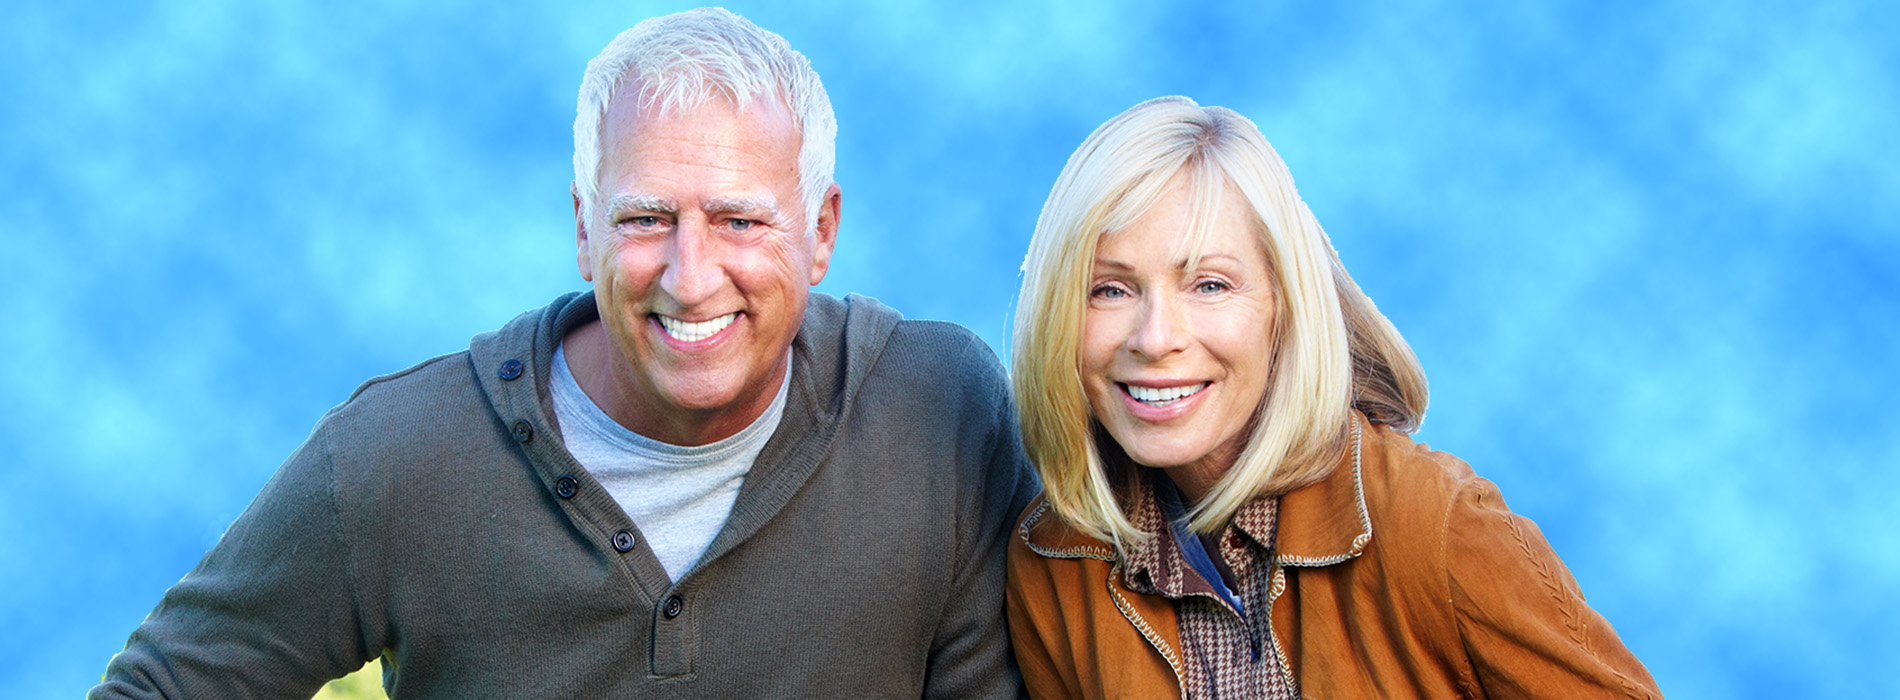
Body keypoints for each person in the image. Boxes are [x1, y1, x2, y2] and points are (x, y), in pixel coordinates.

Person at [91, 8, 1034, 699]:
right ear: (585, 231)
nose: (690, 274)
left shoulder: (936, 411)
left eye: (741, 219)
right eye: (646, 218)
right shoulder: (398, 457)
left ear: (821, 231)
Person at [1004, 96, 1661, 699]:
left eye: (1209, 285)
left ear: (1283, 308)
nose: (1155, 338)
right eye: (1109, 290)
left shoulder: (1433, 527)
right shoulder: (1055, 562)